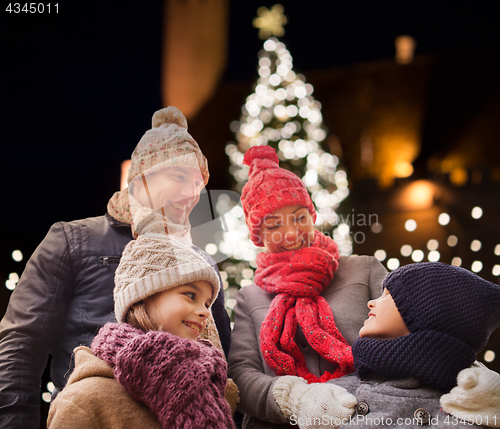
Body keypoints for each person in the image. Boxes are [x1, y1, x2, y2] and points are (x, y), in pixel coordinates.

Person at [0, 106, 231, 429]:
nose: (192, 192)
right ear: (139, 181)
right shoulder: (73, 241)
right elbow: (20, 348)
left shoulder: (200, 261)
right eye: (178, 176)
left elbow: (224, 360)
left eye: (198, 182)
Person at [227, 145, 388, 428]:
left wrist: (353, 395)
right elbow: (241, 374)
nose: (291, 233)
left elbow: (405, 334)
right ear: (257, 235)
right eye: (274, 225)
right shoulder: (248, 298)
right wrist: (296, 400)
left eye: (299, 218)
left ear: (312, 217)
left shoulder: (364, 269)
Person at [272, 262, 500, 429]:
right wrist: (297, 397)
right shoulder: (337, 397)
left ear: (428, 315)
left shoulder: (471, 407)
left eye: (388, 295)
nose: (372, 302)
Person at [47, 234, 238, 429]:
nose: (206, 312)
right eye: (190, 295)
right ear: (143, 297)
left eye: (207, 304)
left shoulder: (211, 387)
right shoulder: (83, 400)